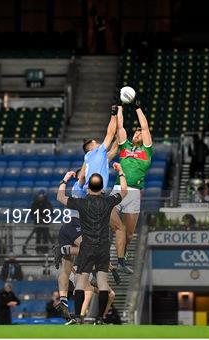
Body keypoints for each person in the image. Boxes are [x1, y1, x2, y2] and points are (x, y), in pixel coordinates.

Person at [56, 162, 128, 324]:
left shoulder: (81, 203)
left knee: (81, 282)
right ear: (102, 189)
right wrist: (121, 172)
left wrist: (65, 179)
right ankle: (100, 318)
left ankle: (76, 316)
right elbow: (124, 191)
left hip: (87, 247)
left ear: (88, 189)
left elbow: (60, 197)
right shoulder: (108, 202)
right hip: (103, 246)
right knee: (102, 282)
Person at [111, 103, 154, 274]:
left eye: (140, 133)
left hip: (135, 193)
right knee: (115, 224)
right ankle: (108, 256)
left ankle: (121, 257)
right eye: (136, 132)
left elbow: (145, 126)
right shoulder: (125, 146)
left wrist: (138, 108)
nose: (138, 133)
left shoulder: (147, 151)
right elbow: (119, 126)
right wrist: (120, 107)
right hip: (117, 189)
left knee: (128, 235)